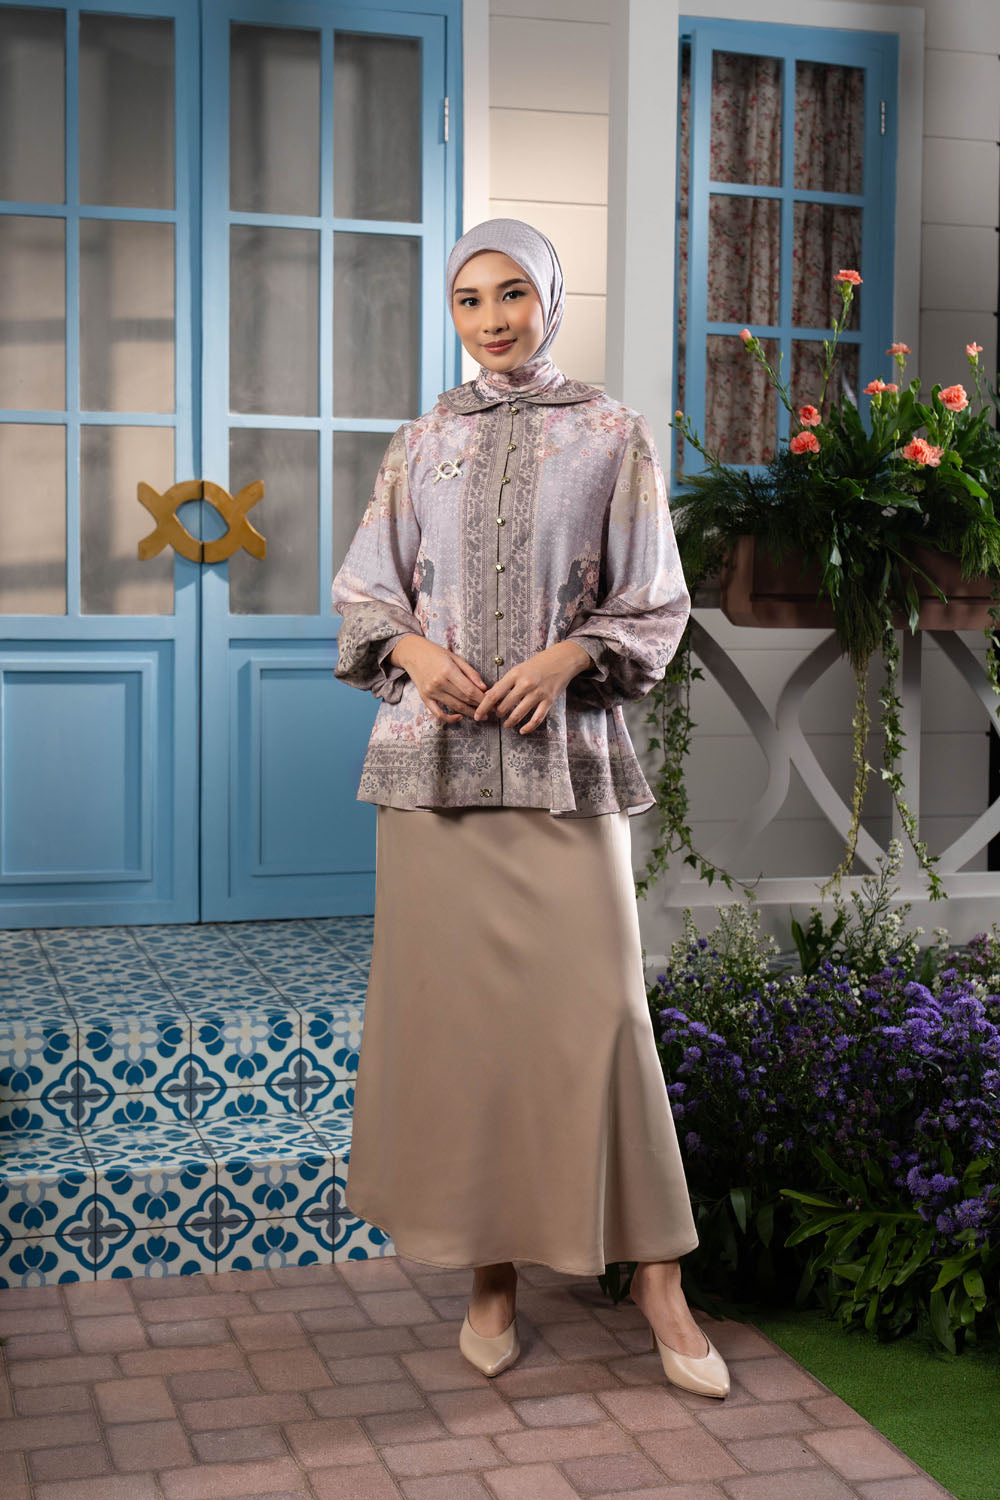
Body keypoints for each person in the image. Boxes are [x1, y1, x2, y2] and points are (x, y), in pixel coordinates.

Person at [331, 218, 730, 1399]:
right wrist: (412, 648)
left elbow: (653, 597)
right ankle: (488, 1271)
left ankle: (657, 1276)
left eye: (511, 293)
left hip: (563, 766)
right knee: (461, 1033)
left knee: (603, 1019)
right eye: (469, 299)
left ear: (548, 300)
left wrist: (569, 656)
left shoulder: (610, 433)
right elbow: (365, 590)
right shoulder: (422, 442)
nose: (492, 319)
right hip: (435, 775)